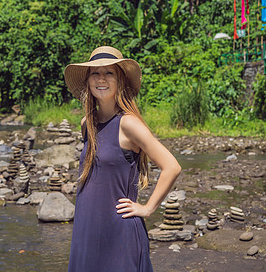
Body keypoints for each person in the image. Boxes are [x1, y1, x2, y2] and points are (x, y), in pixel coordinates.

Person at [64, 46, 181, 272]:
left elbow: (172, 167)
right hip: (86, 230)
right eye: (95, 73)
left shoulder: (128, 123)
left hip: (118, 232)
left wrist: (147, 208)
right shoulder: (86, 124)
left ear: (120, 81)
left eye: (109, 73)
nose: (101, 79)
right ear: (88, 81)